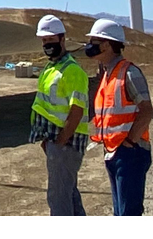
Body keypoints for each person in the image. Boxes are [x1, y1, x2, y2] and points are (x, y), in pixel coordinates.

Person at [83, 18, 153, 216]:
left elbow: (147, 111)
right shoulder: (108, 74)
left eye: (94, 42)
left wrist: (130, 141)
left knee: (128, 213)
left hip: (129, 153)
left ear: (106, 45)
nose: (90, 46)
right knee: (120, 213)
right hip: (114, 151)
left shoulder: (129, 73)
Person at [28, 14, 89, 216]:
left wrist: (62, 140)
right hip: (55, 142)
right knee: (69, 194)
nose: (47, 44)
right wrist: (48, 140)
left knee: (58, 198)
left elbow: (77, 110)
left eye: (51, 39)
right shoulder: (51, 68)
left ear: (62, 39)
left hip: (67, 143)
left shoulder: (72, 71)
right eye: (44, 40)